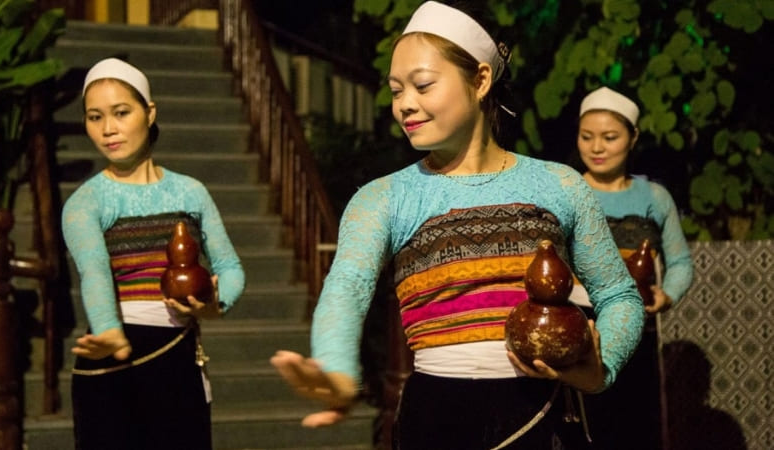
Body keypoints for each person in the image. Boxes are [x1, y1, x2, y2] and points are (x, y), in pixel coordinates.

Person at [270, 2, 645, 449]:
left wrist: (601, 370)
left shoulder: (558, 184)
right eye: (396, 90)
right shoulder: (385, 198)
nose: (406, 104)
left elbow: (619, 295)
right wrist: (336, 368)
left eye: (423, 85)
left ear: (481, 80)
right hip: (436, 417)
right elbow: (346, 287)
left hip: (544, 413)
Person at [61, 57, 245, 449]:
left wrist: (213, 305)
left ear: (149, 112)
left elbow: (229, 266)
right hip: (110, 358)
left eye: (121, 113)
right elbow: (93, 273)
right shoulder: (86, 202)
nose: (108, 129)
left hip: (176, 354)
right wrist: (110, 332)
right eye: (95, 117)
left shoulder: (190, 192)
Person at [574, 86, 694, 450]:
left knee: (633, 427)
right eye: (587, 137)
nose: (597, 148)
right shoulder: (568, 189)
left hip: (636, 327)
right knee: (581, 426)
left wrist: (667, 295)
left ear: (633, 138)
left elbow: (681, 262)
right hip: (579, 324)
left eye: (609, 137)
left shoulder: (653, 198)